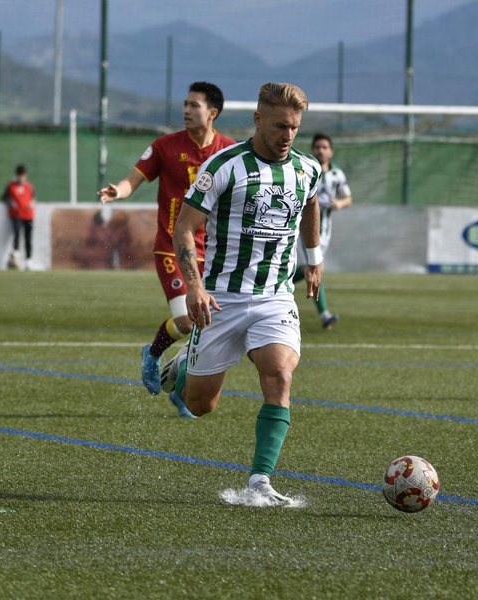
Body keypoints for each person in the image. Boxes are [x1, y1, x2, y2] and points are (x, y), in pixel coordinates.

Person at [164, 82, 323, 506]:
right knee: (201, 404)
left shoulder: (307, 169)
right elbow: (184, 228)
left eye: (294, 127)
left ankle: (260, 482)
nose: (288, 135)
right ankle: (182, 368)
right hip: (221, 299)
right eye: (279, 126)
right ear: (257, 120)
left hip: (275, 297)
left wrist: (314, 258)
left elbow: (311, 204)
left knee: (280, 375)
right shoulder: (224, 166)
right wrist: (194, 286)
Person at [97, 82, 235, 396]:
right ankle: (154, 352)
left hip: (212, 251)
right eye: (185, 104)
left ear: (212, 113)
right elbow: (132, 181)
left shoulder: (228, 151)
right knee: (187, 321)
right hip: (172, 247)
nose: (186, 110)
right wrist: (119, 191)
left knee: (209, 325)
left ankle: (181, 388)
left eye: (194, 105)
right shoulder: (165, 146)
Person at [293, 133, 351, 329]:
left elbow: (348, 198)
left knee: (311, 268)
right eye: (317, 147)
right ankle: (325, 315)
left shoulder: (337, 175)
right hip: (306, 229)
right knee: (315, 267)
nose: (321, 150)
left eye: (325, 147)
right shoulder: (305, 170)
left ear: (331, 151)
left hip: (325, 231)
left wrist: (339, 204)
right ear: (312, 150)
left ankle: (278, 283)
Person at [3, 164, 36, 270]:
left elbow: (33, 198)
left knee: (28, 238)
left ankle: (28, 260)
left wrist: (32, 203)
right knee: (16, 233)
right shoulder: (11, 186)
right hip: (16, 214)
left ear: (25, 175)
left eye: (23, 175)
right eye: (19, 175)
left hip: (28, 215)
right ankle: (15, 255)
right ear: (17, 175)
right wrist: (10, 203)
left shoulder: (29, 186)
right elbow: (4, 198)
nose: (21, 177)